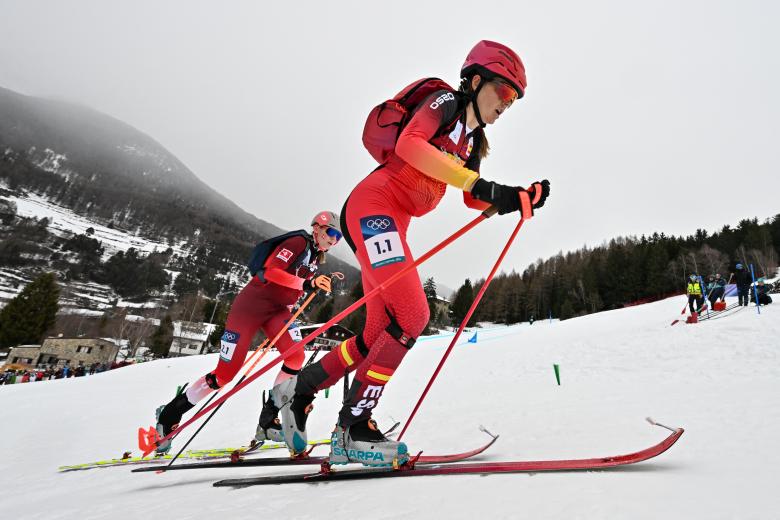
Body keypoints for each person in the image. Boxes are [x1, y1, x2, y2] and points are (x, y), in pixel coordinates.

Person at [270, 41, 550, 467]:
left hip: (391, 221)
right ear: (475, 81)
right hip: (374, 207)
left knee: (377, 334)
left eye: (514, 100)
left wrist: (516, 195)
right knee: (414, 315)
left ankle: (300, 392)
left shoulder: (471, 142)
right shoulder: (446, 102)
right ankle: (353, 427)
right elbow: (410, 146)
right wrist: (477, 186)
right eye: (505, 92)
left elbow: (473, 196)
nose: (507, 105)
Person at [152, 212, 342, 454]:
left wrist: (310, 285)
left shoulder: (315, 256)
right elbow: (271, 271)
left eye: (338, 238)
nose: (333, 240)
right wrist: (306, 284)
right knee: (225, 374)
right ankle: (168, 417)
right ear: (317, 228)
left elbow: (293, 283)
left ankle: (268, 420)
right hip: (250, 308)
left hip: (278, 311)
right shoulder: (297, 243)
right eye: (331, 233)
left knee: (295, 356)